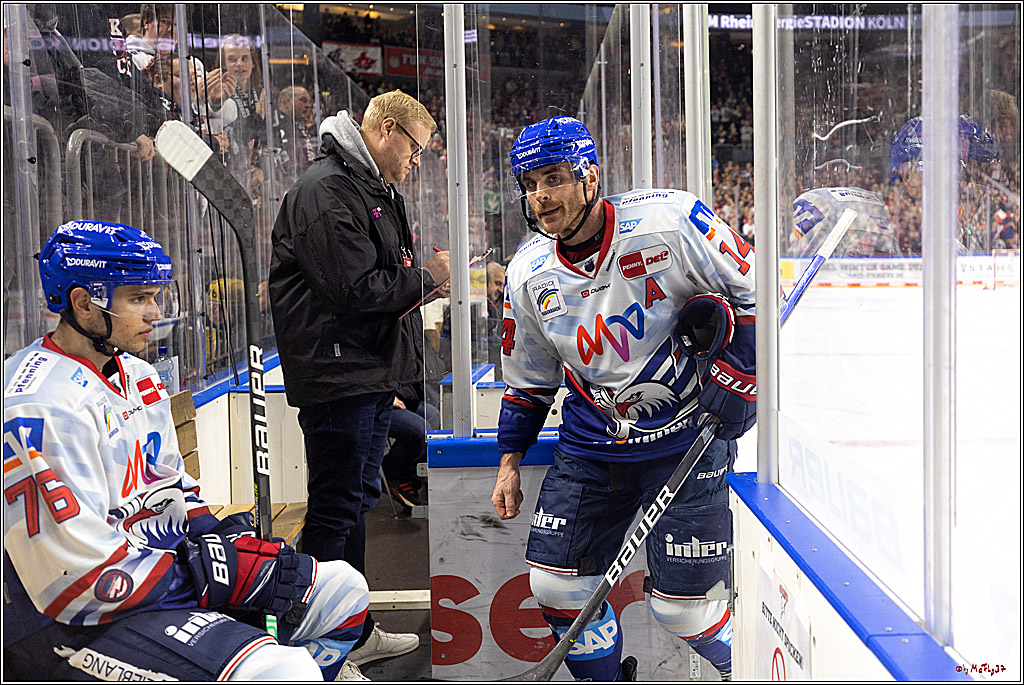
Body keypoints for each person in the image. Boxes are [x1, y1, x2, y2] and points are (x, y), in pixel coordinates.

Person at [3, 220, 373, 681]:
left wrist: (226, 540)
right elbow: (77, 579)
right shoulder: (39, 404)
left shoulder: (139, 375)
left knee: (345, 590)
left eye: (155, 296)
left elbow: (173, 488)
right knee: (283, 672)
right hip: (71, 621)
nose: (155, 313)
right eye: (138, 298)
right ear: (83, 302)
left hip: (158, 575)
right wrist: (218, 576)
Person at [491, 117, 757, 681]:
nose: (541, 196)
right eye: (531, 183)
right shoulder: (528, 270)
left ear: (590, 176)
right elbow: (529, 376)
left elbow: (753, 291)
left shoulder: (670, 222)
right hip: (591, 444)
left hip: (685, 439)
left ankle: (754, 669)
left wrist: (741, 376)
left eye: (554, 178)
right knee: (556, 586)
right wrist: (509, 461)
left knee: (684, 610)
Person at [269, 90, 451, 677]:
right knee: (332, 512)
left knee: (352, 507)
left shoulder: (369, 188)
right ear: (387, 130)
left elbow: (384, 276)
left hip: (365, 373)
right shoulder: (326, 191)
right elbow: (353, 291)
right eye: (417, 150)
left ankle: (353, 628)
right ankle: (311, 640)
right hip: (337, 376)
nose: (416, 162)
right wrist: (428, 279)